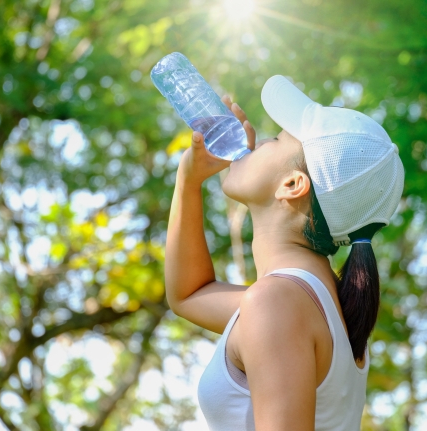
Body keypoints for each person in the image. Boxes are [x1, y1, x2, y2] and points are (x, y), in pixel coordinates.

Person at [164, 75, 405, 430]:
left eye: (275, 139)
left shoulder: (278, 301)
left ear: (292, 185)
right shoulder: (311, 300)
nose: (258, 141)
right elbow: (188, 295)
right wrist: (189, 179)